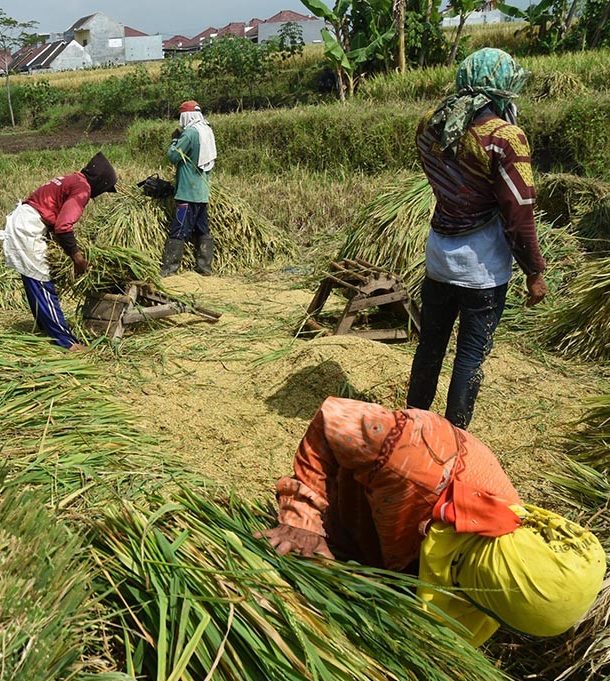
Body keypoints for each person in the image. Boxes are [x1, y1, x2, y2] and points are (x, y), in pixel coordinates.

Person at [254, 397, 604, 646]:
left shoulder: (507, 553)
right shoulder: (411, 457)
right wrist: (302, 517)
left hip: (396, 536)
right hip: (354, 506)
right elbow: (333, 417)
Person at [407, 48, 548, 430]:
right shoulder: (505, 138)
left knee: (429, 348)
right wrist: (535, 272)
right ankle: (455, 439)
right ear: (501, 89)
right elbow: (519, 216)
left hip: (438, 257)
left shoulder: (428, 126)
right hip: (482, 268)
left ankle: (412, 426)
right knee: (470, 355)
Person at [0, 151, 118, 351]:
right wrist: (77, 258)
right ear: (100, 182)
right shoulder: (82, 188)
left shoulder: (72, 178)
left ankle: (47, 328)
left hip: (23, 221)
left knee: (34, 283)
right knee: (42, 283)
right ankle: (67, 343)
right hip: (28, 228)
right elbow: (63, 226)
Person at [161, 100, 217, 278]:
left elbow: (172, 156)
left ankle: (170, 268)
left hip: (187, 192)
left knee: (179, 228)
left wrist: (175, 140)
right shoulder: (206, 130)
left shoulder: (190, 133)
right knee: (202, 228)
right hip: (202, 192)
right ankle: (205, 266)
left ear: (187, 116)